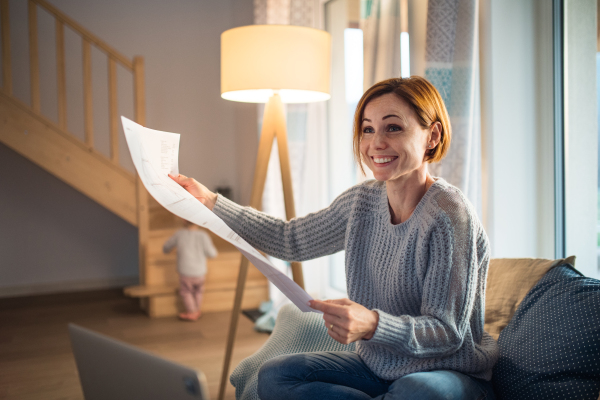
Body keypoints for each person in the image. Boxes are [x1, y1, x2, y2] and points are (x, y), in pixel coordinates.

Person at [169, 76, 499, 399]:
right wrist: (211, 202)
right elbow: (290, 240)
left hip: (447, 373)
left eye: (393, 127)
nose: (376, 143)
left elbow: (448, 332)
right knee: (275, 376)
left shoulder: (448, 215)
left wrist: (372, 324)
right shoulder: (361, 203)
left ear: (432, 136)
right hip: (378, 366)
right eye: (367, 129)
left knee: (417, 391)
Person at [163, 220, 217, 321]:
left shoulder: (179, 234)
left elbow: (166, 247)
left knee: (186, 292)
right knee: (198, 291)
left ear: (183, 221)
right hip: (200, 272)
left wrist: (166, 250)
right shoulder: (203, 235)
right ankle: (197, 310)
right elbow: (212, 253)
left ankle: (192, 312)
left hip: (185, 272)